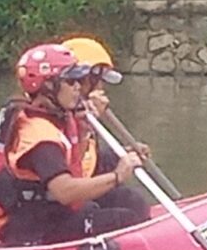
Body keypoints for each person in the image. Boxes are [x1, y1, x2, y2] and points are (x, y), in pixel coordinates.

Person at [0, 43, 145, 246]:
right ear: (48, 86)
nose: (78, 87)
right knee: (125, 220)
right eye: (71, 81)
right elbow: (65, 191)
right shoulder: (37, 134)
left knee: (131, 201)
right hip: (31, 227)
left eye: (79, 80)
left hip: (50, 212)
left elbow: (72, 165)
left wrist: (84, 130)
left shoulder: (54, 117)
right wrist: (117, 176)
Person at [63, 36, 151, 224]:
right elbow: (68, 170)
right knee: (126, 215)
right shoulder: (56, 118)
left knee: (132, 200)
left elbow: (90, 165)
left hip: (78, 193)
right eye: (97, 80)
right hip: (55, 206)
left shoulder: (82, 113)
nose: (101, 88)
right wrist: (83, 124)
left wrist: (123, 155)